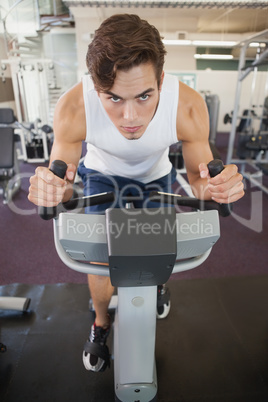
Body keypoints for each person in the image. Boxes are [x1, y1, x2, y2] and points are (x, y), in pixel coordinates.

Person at [28, 14, 244, 372]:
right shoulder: (74, 106)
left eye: (144, 95)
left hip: (156, 176)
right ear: (96, 87)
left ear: (161, 79)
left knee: (155, 250)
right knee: (100, 259)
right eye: (113, 98)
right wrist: (50, 189)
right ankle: (101, 323)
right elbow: (62, 181)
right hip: (101, 174)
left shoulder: (186, 105)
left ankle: (156, 286)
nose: (130, 116)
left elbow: (200, 181)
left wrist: (220, 188)